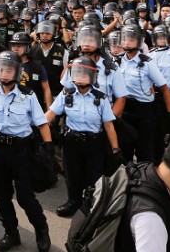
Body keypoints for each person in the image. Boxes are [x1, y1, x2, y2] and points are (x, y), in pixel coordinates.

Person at [0, 51, 53, 252]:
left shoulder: (28, 95)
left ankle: (41, 229)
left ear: (17, 72)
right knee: (1, 195)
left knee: (25, 197)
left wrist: (48, 148)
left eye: (9, 70)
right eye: (1, 69)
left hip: (21, 151)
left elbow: (41, 123)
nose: (4, 74)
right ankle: (11, 233)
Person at [44, 58, 120, 218]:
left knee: (94, 176)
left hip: (94, 142)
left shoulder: (101, 98)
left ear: (92, 77)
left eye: (84, 75)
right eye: (77, 74)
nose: (79, 78)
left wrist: (115, 149)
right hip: (72, 141)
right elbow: (49, 115)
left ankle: (92, 204)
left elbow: (109, 125)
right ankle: (73, 202)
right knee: (72, 175)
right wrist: (32, 128)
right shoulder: (66, 95)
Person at [116, 24, 170, 163]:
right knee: (124, 149)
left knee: (145, 150)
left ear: (139, 42)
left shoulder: (148, 62)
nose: (127, 43)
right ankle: (126, 181)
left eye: (131, 40)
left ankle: (145, 182)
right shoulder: (117, 61)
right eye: (124, 39)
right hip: (124, 109)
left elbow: (164, 88)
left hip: (144, 111)